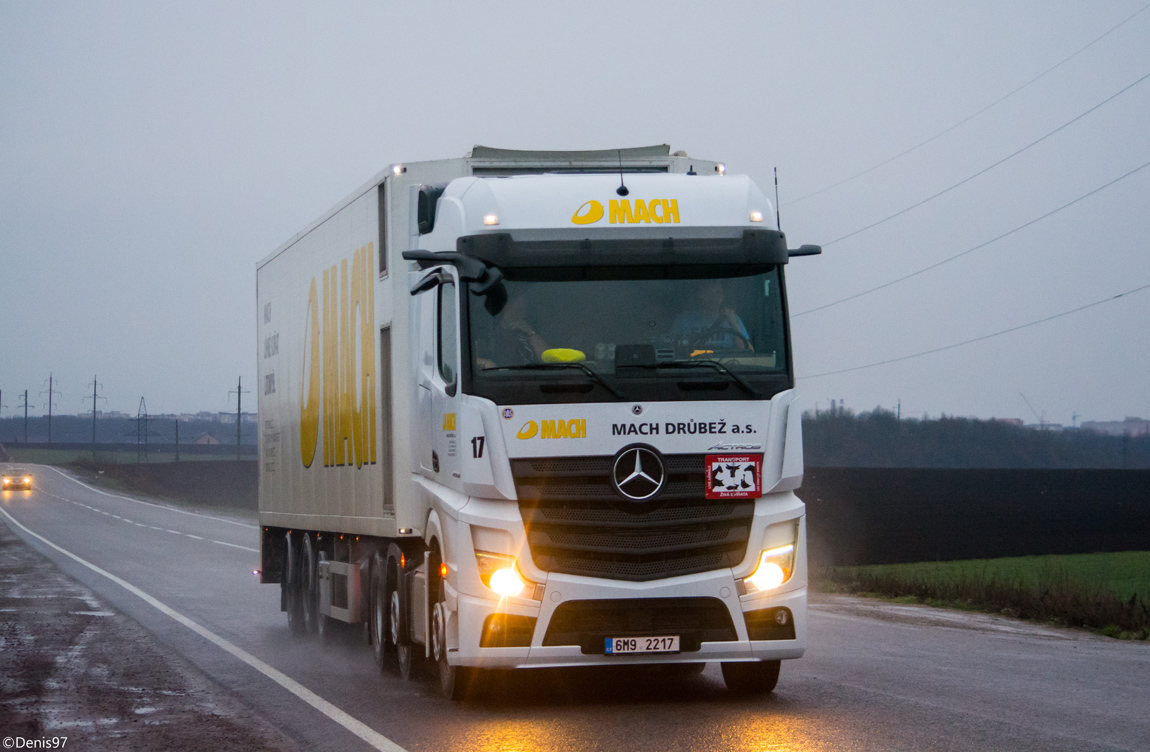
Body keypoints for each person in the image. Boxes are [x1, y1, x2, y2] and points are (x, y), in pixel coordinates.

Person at [671, 279, 752, 352]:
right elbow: (671, 350)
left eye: (720, 292)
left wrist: (733, 324)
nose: (718, 296)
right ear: (700, 294)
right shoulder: (683, 321)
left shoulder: (733, 319)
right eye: (715, 292)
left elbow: (749, 352)